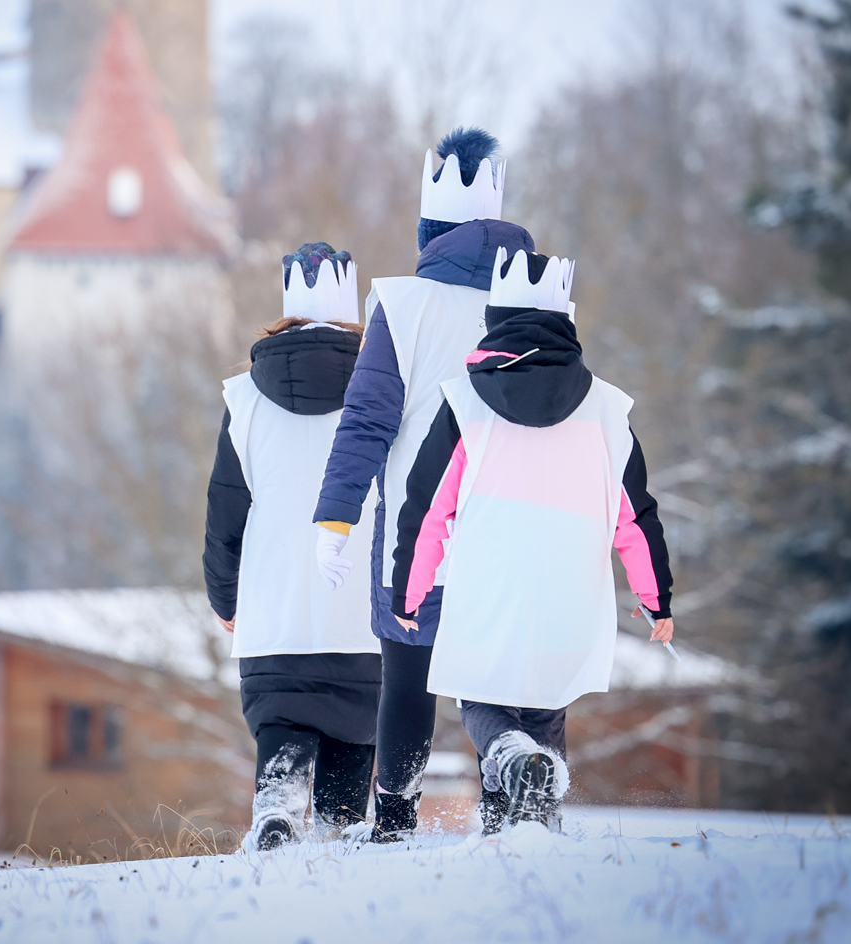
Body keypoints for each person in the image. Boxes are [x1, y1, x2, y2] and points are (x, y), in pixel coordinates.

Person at [392, 248, 674, 832]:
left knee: (483, 696)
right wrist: (656, 599)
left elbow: (427, 509)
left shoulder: (465, 402)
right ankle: (528, 828)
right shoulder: (607, 408)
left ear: (495, 322)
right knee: (545, 705)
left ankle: (511, 756)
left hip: (491, 584)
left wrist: (408, 592)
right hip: (571, 590)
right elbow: (635, 516)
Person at [310, 128, 536, 843]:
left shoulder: (404, 306)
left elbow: (366, 422)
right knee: (494, 677)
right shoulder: (536, 302)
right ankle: (508, 818)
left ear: (428, 232)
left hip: (417, 535)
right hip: (511, 528)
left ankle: (395, 823)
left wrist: (334, 519)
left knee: (407, 678)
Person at [203, 242, 382, 851]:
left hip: (275, 614)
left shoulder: (244, 401)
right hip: (360, 615)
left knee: (281, 723)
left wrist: (225, 598)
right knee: (355, 739)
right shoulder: (386, 392)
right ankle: (338, 838)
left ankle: (277, 810)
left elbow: (225, 514)